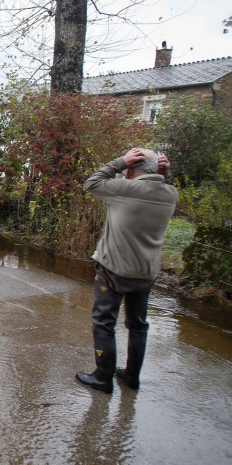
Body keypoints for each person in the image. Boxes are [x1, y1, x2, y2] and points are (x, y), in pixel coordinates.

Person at [76, 148, 177, 394]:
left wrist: (120, 161)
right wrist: (164, 174)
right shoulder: (170, 193)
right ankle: (132, 377)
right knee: (138, 325)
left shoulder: (125, 189)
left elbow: (92, 182)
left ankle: (103, 377)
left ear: (131, 170)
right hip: (146, 272)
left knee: (104, 322)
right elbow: (159, 185)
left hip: (114, 269)